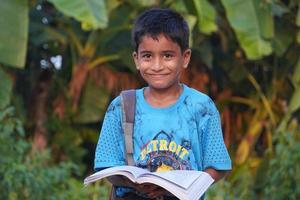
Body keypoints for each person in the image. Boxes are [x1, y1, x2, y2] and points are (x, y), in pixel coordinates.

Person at [94, 8, 232, 200]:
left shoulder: (201, 107)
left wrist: (185, 187)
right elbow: (106, 164)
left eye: (167, 55)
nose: (157, 66)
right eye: (148, 56)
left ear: (185, 58)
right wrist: (134, 183)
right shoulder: (121, 107)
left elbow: (218, 166)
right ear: (136, 59)